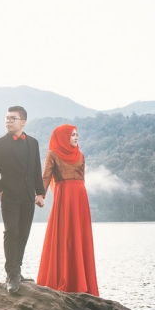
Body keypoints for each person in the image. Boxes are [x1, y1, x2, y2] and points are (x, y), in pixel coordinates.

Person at [0, 106, 45, 294]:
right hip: (9, 197)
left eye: (13, 118)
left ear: (23, 122)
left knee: (23, 233)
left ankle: (17, 270)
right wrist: (0, 192)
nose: (8, 121)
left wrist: (40, 193)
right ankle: (11, 275)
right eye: (7, 118)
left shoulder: (33, 143)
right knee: (11, 232)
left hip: (28, 196)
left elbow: (36, 170)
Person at [36, 124, 99, 296]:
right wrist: (41, 195)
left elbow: (82, 179)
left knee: (79, 236)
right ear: (63, 137)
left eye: (77, 134)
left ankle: (81, 283)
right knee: (64, 235)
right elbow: (46, 176)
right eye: (72, 135)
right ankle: (62, 280)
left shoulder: (81, 156)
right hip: (64, 197)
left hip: (80, 198)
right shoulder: (52, 154)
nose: (76, 137)